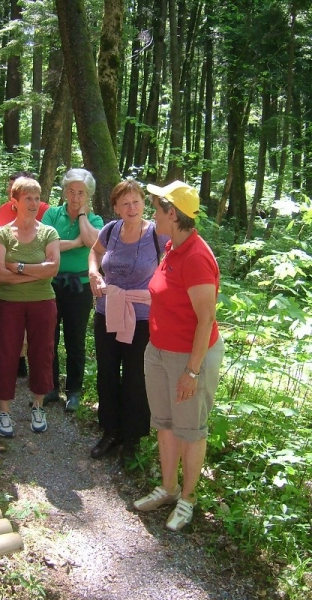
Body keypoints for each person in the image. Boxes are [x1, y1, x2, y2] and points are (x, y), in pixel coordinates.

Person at [132, 180, 225, 532]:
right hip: (159, 351)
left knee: (190, 431)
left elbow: (206, 319)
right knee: (166, 424)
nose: (152, 213)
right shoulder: (172, 246)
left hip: (189, 357)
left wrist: (192, 371)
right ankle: (168, 489)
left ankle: (188, 498)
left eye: (157, 208)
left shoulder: (197, 257)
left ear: (173, 214)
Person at [88, 180, 169, 463]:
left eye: (136, 202)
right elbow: (95, 252)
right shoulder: (110, 230)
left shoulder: (157, 234)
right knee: (107, 373)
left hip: (142, 316)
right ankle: (111, 431)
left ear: (144, 203)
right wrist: (93, 273)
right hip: (107, 310)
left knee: (136, 377)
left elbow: (173, 265)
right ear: (116, 208)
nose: (132, 208)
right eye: (125, 203)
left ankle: (132, 438)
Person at [0, 176, 60, 437]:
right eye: (28, 198)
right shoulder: (2, 234)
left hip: (43, 302)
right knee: (7, 354)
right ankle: (4, 411)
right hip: (10, 303)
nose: (33, 203)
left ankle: (38, 407)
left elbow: (53, 269)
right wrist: (37, 272)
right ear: (14, 201)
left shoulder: (48, 233)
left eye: (37, 198)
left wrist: (17, 267)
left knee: (42, 353)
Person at [41, 168, 103, 412]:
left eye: (81, 193)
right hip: (51, 284)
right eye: (71, 191)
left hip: (80, 287)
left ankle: (74, 391)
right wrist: (76, 242)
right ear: (64, 191)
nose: (75, 197)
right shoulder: (52, 214)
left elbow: (93, 241)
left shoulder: (95, 221)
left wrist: (83, 216)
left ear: (88, 195)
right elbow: (45, 244)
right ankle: (50, 387)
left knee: (75, 340)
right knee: (49, 337)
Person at [0, 171, 50, 378]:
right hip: (6, 274)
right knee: (10, 324)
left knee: (31, 328)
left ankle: (24, 362)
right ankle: (16, 360)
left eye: (14, 186)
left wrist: (23, 268)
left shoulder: (42, 209)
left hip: (34, 282)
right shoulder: (4, 208)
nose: (10, 190)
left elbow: (51, 244)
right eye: (9, 186)